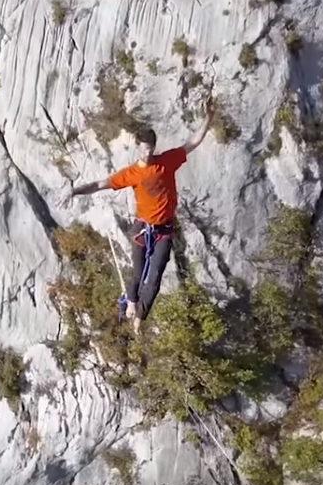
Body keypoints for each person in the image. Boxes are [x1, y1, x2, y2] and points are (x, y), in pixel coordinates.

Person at [69, 99, 216, 334]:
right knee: (138, 273)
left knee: (155, 275)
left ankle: (139, 316)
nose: (147, 153)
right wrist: (75, 190)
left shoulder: (166, 162)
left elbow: (193, 143)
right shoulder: (132, 173)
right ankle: (131, 302)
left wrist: (208, 118)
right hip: (142, 229)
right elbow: (100, 184)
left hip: (164, 230)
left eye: (150, 148)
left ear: (154, 147)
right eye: (144, 148)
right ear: (138, 146)